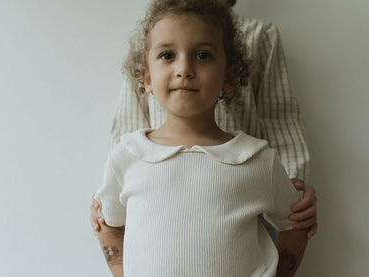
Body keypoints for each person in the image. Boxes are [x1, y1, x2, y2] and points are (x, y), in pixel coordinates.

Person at [93, 0, 309, 276]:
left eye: (203, 56)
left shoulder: (259, 160)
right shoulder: (127, 155)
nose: (184, 69)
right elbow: (108, 225)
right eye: (168, 55)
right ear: (146, 78)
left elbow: (296, 223)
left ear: (229, 77)